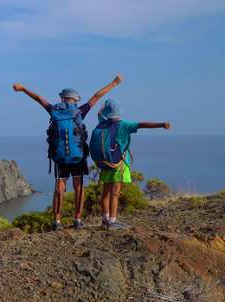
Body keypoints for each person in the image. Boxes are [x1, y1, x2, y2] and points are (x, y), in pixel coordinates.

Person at [13, 75, 122, 230]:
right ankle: (77, 220)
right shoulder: (79, 111)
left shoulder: (53, 110)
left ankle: (57, 221)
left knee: (60, 187)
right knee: (78, 186)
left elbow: (38, 98)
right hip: (78, 156)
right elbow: (97, 96)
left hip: (60, 156)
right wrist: (114, 83)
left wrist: (23, 89)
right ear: (75, 100)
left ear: (62, 99)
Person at [90, 99, 171, 230]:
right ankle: (113, 222)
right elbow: (142, 125)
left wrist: (104, 106)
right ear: (119, 112)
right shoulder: (124, 125)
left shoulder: (103, 122)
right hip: (119, 163)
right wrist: (161, 124)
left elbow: (99, 113)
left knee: (105, 191)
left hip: (106, 162)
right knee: (115, 192)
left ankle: (105, 220)